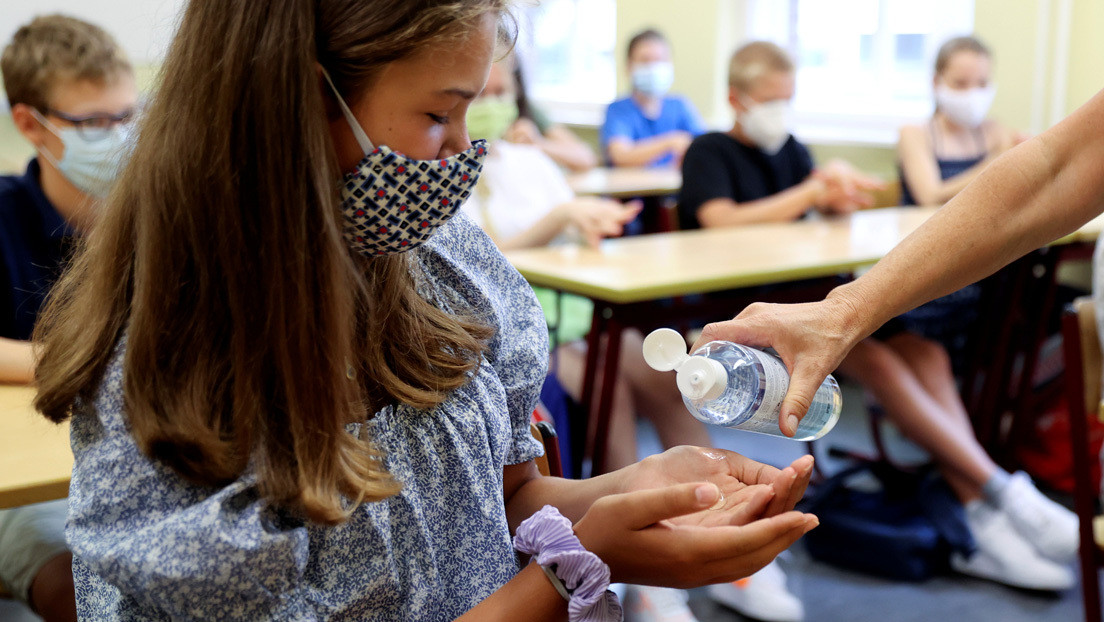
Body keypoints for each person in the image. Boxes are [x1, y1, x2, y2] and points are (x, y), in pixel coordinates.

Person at [30, 2, 819, 619]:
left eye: (471, 112)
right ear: (304, 101)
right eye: (439, 116)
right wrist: (575, 564)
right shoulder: (171, 358)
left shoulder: (444, 266)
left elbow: (500, 501)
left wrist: (638, 491)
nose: (462, 154)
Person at [695, 61, 1104, 606]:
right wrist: (813, 205)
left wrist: (829, 201)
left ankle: (982, 502)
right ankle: (993, 493)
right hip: (756, 298)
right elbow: (719, 221)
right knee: (883, 361)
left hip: (815, 285)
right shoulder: (712, 152)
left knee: (924, 353)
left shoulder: (791, 149)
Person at [466, 56, 726, 622]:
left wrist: (586, 223)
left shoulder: (530, 160)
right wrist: (560, 217)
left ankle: (726, 519)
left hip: (577, 318)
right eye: (479, 89)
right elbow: (471, 267)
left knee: (666, 374)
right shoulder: (449, 171)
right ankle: (643, 564)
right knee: (609, 381)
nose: (492, 99)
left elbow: (579, 226)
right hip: (526, 336)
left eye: (502, 88)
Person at [0, 14, 137, 622]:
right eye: (93, 123)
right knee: (78, 592)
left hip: (144, 454)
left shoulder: (160, 215)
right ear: (30, 124)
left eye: (127, 116)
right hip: (35, 483)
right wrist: (82, 360)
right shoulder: (5, 218)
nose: (118, 136)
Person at [898, 36, 1025, 208]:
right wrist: (998, 163)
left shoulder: (994, 131)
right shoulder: (914, 134)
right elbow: (930, 198)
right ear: (936, 82)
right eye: (960, 83)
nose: (972, 94)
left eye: (982, 83)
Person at [467, 54, 596, 172]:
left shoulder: (523, 111)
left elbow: (585, 158)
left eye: (500, 92)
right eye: (480, 94)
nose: (491, 104)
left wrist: (537, 143)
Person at [601, 29, 703, 169]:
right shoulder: (618, 110)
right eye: (645, 60)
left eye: (660, 60)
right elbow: (621, 156)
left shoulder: (679, 106)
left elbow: (703, 148)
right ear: (629, 66)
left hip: (674, 188)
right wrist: (670, 142)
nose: (654, 67)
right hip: (632, 189)